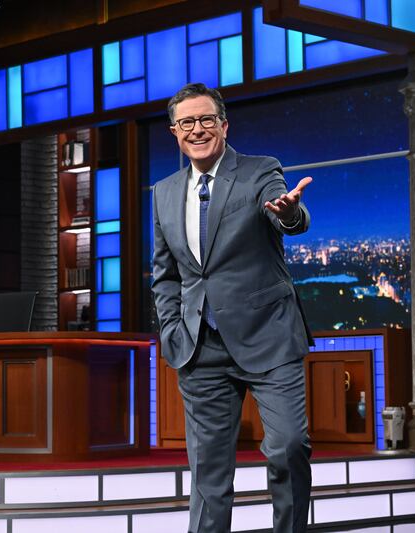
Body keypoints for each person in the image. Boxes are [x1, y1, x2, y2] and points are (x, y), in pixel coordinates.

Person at [151, 82, 315, 533]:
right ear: (175, 131)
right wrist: (171, 328)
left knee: (288, 446)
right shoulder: (163, 192)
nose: (198, 129)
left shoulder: (261, 171)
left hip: (268, 337)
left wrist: (287, 213)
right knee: (208, 473)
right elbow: (165, 274)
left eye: (207, 119)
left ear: (223, 125)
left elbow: (288, 217)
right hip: (200, 348)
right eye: (187, 122)